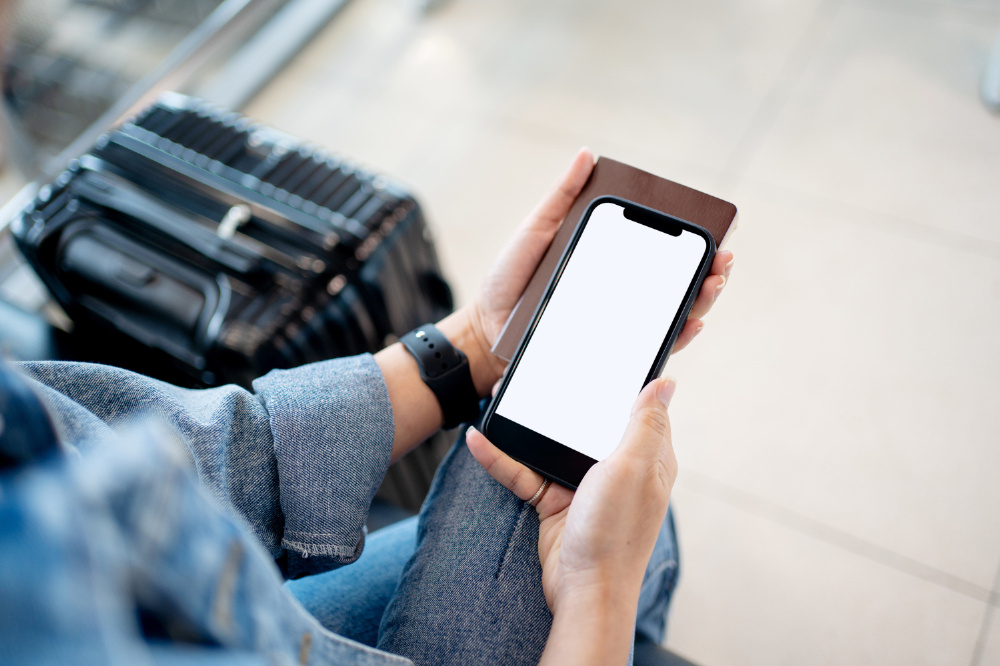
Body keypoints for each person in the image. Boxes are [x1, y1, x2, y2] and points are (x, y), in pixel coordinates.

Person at [0, 134, 732, 665]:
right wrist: (597, 592)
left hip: (250, 625)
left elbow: (202, 460)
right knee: (624, 508)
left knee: (563, 466)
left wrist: (474, 344)